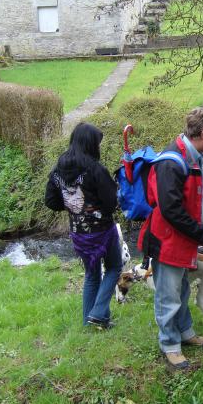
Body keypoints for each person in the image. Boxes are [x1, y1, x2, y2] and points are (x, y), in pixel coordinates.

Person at [138, 107, 203, 370]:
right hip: (167, 240)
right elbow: (171, 210)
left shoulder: (196, 157)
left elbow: (201, 187)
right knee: (168, 295)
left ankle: (185, 332)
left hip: (184, 239)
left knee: (181, 289)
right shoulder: (172, 161)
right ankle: (170, 345)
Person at [44, 123, 122, 329]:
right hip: (103, 232)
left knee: (91, 274)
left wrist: (73, 208)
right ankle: (98, 313)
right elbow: (111, 202)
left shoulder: (58, 170)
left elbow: (50, 201)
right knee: (114, 267)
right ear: (90, 144)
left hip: (79, 233)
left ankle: (90, 323)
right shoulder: (95, 170)